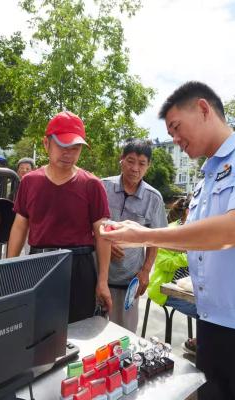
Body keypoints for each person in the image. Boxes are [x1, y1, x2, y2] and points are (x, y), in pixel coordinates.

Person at [100, 81, 235, 400]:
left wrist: (140, 235)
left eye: (176, 127)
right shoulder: (207, 178)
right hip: (213, 325)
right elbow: (194, 238)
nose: (174, 139)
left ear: (202, 109)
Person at [7, 111, 112, 322]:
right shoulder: (29, 181)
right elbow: (20, 225)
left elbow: (102, 234)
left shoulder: (92, 184)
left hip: (79, 266)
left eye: (75, 148)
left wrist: (102, 281)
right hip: (39, 264)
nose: (69, 153)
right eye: (63, 146)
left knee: (80, 329)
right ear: (46, 144)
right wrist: (9, 268)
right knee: (36, 326)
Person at [102, 139, 167, 331]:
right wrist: (105, 244)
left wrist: (146, 270)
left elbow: (156, 238)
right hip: (98, 277)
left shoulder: (153, 198)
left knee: (124, 336)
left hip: (128, 282)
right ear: (121, 160)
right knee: (93, 332)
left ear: (148, 166)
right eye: (130, 161)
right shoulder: (102, 187)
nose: (135, 168)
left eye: (142, 163)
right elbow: (86, 224)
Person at [145, 197, 199, 353]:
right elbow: (163, 263)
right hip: (164, 289)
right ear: (189, 212)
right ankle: (200, 345)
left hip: (188, 288)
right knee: (205, 311)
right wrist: (189, 256)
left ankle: (203, 345)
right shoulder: (170, 231)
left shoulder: (199, 234)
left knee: (215, 306)